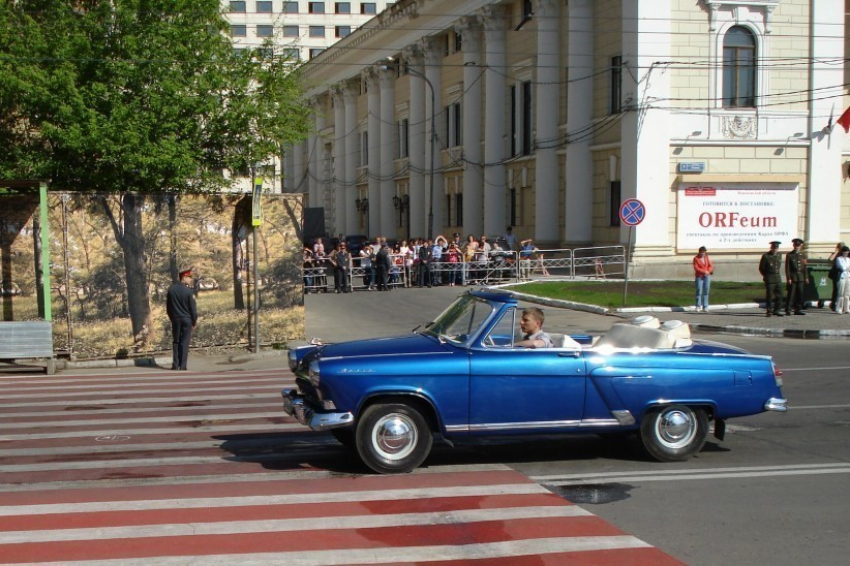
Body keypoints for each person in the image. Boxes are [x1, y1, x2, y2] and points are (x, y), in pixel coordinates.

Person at [166, 268, 198, 371]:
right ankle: (183, 365)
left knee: (176, 341)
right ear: (183, 278)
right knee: (184, 342)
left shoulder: (171, 290)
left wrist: (172, 318)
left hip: (175, 319)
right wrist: (194, 321)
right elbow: (193, 309)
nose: (190, 279)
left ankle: (175, 365)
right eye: (189, 277)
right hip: (187, 320)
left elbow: (168, 307)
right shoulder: (188, 292)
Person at [758, 241, 784, 317]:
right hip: (770, 278)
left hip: (777, 278)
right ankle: (769, 311)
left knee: (780, 295)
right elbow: (761, 268)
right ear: (771, 248)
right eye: (774, 248)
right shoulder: (766, 256)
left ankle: (777, 310)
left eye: (776, 248)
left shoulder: (779, 255)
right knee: (769, 296)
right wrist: (766, 276)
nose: (775, 249)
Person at [784, 238, 808, 316]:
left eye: (798, 246)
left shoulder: (803, 255)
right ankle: (788, 309)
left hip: (801, 277)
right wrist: (789, 278)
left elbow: (805, 267)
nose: (797, 247)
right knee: (791, 294)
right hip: (793, 277)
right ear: (793, 246)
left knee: (800, 294)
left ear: (800, 246)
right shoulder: (790, 255)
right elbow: (787, 268)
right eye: (796, 246)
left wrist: (806, 277)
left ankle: (798, 309)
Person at [693, 246, 713, 312]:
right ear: (699, 252)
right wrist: (704, 271)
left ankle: (705, 306)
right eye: (702, 253)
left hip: (707, 276)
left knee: (706, 291)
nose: (703, 254)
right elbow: (696, 268)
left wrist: (709, 271)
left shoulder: (706, 257)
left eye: (704, 253)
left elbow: (710, 265)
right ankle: (698, 306)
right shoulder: (696, 258)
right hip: (699, 276)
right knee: (699, 290)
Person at [828, 242, 845, 311]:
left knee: (843, 291)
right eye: (840, 247)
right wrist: (836, 252)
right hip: (837, 274)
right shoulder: (836, 254)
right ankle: (833, 304)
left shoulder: (846, 254)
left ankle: (841, 305)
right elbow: (830, 259)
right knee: (836, 290)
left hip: (844, 274)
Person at [834, 245, 850, 314]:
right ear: (842, 252)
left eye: (847, 252)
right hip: (841, 277)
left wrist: (847, 268)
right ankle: (839, 308)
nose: (846, 254)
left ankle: (846, 308)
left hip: (848, 277)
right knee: (841, 293)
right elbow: (842, 267)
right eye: (845, 252)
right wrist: (848, 268)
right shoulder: (839, 259)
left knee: (847, 293)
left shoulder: (848, 259)